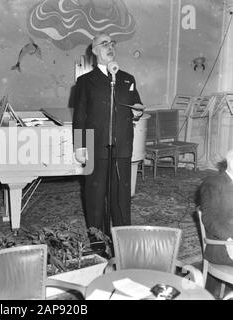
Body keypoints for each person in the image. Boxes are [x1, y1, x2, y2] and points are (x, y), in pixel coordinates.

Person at [73, 33, 144, 239]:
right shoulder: (85, 81)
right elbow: (79, 115)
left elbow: (137, 104)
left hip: (121, 145)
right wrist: (80, 146)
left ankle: (124, 241)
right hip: (95, 147)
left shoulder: (127, 78)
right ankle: (97, 243)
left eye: (112, 43)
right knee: (94, 197)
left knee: (121, 198)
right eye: (104, 44)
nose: (110, 46)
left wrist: (138, 110)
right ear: (94, 50)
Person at [199, 148, 233, 266]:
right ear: (231, 162)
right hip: (223, 245)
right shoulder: (213, 183)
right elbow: (209, 219)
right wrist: (229, 240)